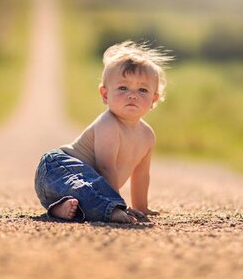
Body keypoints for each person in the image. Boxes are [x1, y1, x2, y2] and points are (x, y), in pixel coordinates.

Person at [34, 40, 173, 223]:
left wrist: (141, 207)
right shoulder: (108, 124)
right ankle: (108, 209)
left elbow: (141, 174)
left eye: (143, 90)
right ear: (105, 95)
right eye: (123, 88)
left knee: (88, 193)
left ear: (153, 99)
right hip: (57, 169)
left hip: (78, 189)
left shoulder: (147, 135)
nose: (132, 95)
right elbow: (106, 168)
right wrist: (118, 205)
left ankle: (61, 208)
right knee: (89, 185)